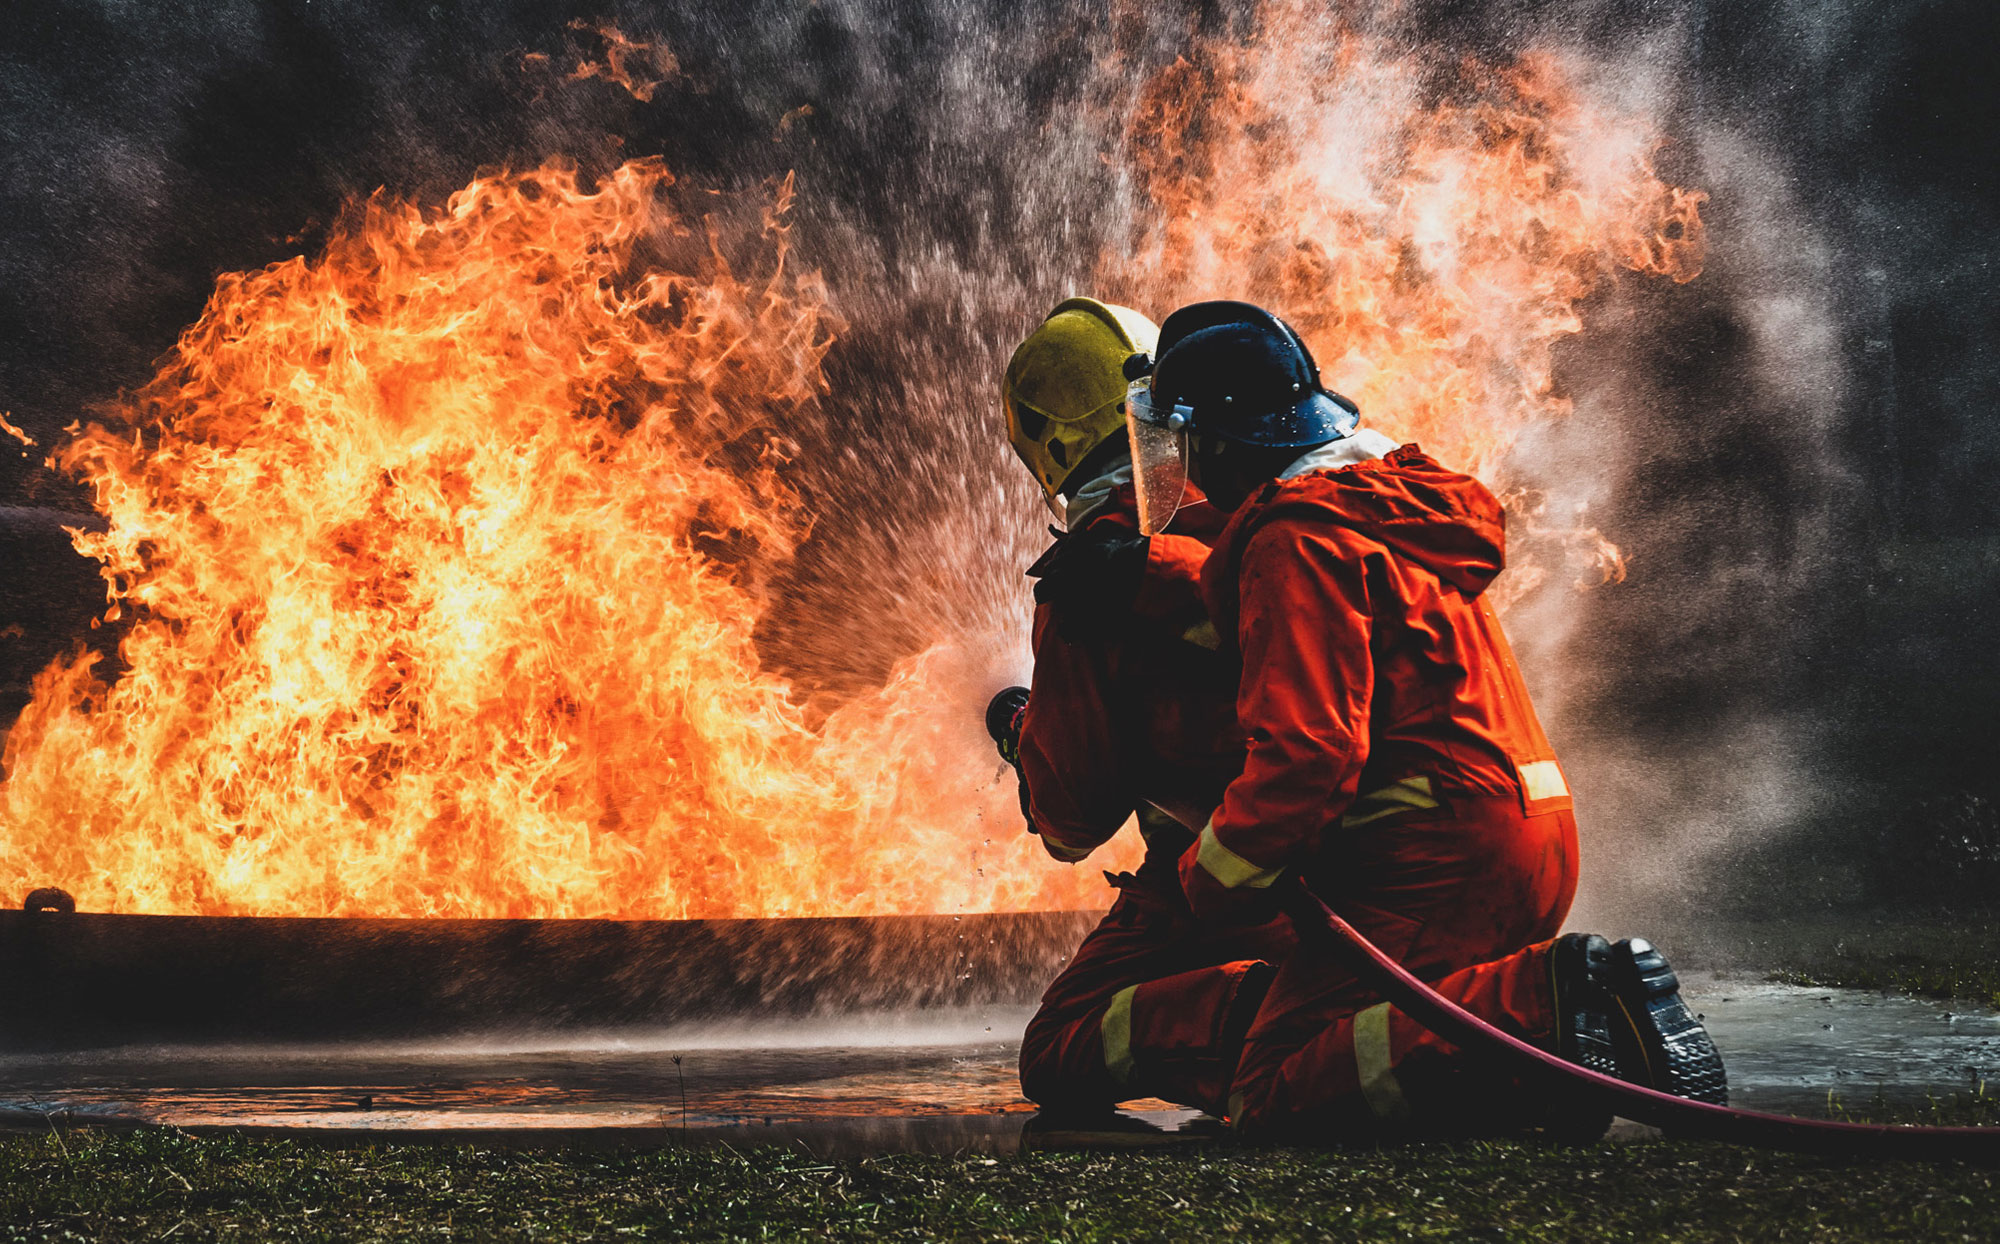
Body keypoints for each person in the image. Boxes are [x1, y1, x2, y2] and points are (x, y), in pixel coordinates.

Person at [1120, 299, 1725, 1137]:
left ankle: (1552, 1006)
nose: (1180, 466)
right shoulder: (1380, 507)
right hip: (1530, 828)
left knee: (1270, 1085)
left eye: (1183, 441)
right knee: (1414, 1029)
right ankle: (1554, 1067)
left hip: (1435, 855)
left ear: (1217, 442)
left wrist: (1211, 882)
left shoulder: (1294, 540)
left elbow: (1310, 754)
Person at [994, 297, 1293, 1117]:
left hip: (1239, 873)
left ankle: (1272, 1020)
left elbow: (1072, 825)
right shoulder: (1265, 496)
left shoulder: (1091, 575)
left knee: (1060, 1049)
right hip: (1375, 850)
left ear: (1048, 446)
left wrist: (1023, 737)